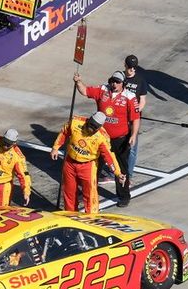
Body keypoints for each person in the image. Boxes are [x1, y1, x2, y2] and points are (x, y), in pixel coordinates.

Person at [74, 70, 141, 207]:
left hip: (120, 139)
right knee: (93, 166)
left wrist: (133, 135)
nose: (114, 84)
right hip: (100, 138)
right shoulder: (102, 90)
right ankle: (87, 192)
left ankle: (124, 196)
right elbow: (85, 91)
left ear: (123, 83)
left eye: (117, 82)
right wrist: (78, 82)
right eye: (112, 81)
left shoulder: (130, 97)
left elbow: (135, 119)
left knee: (121, 168)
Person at [50, 111, 125, 213]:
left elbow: (109, 157)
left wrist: (118, 173)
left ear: (99, 128)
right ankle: (70, 215)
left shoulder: (102, 138)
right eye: (90, 124)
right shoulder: (75, 122)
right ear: (89, 119)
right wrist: (55, 148)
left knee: (90, 194)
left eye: (95, 127)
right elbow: (64, 132)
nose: (91, 128)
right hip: (69, 162)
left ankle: (92, 217)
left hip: (88, 166)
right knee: (69, 191)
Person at [122, 54, 148, 182]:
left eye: (134, 67)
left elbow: (142, 100)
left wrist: (135, 112)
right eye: (130, 67)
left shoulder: (140, 80)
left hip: (133, 119)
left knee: (132, 148)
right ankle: (115, 171)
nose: (132, 70)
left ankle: (129, 175)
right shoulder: (119, 78)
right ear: (125, 66)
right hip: (120, 117)